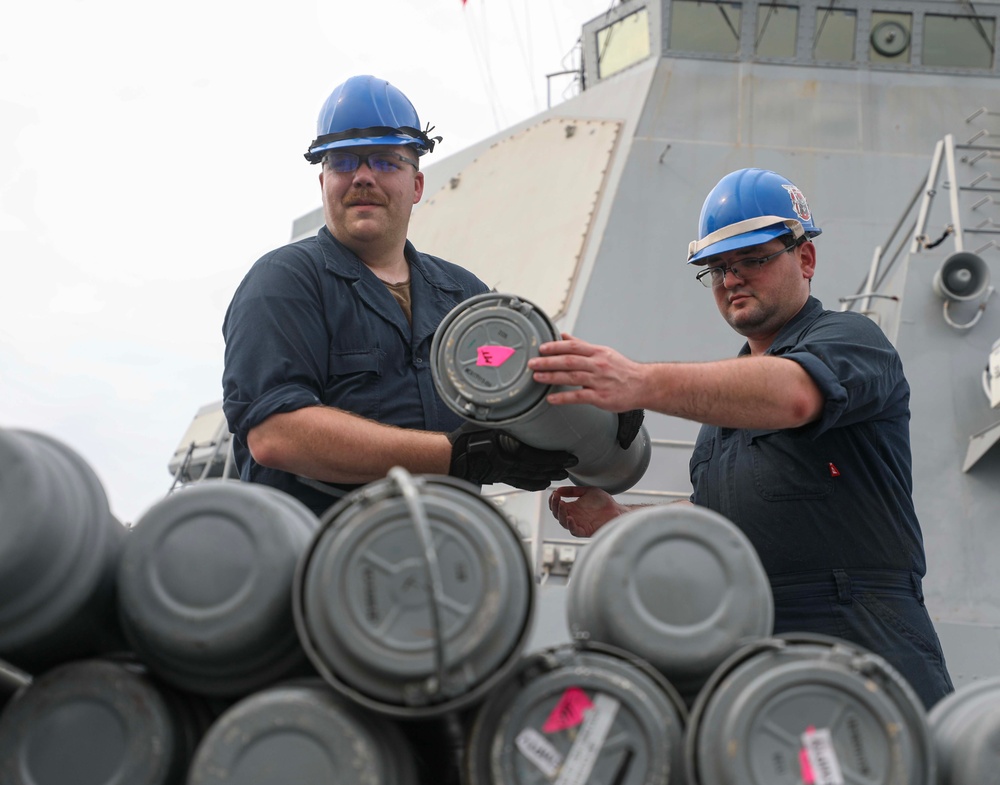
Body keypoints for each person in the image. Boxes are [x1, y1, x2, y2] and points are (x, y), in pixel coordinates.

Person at [527, 167, 954, 709]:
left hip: (863, 630)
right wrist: (620, 521)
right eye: (718, 267)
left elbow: (795, 395)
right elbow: (716, 514)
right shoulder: (726, 406)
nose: (731, 279)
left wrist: (639, 381)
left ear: (806, 259)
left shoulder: (850, 340)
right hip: (752, 639)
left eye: (753, 259)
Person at [222, 75, 576, 516]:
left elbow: (511, 375)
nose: (363, 177)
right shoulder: (284, 282)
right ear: (323, 183)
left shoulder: (463, 297)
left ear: (417, 186)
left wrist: (595, 410)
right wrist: (458, 455)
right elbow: (276, 435)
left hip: (448, 560)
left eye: (387, 162)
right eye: (344, 162)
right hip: (314, 565)